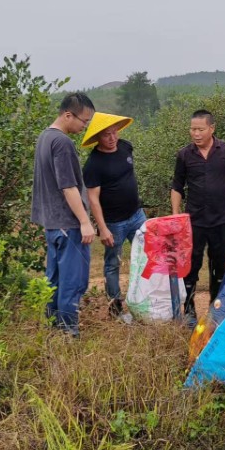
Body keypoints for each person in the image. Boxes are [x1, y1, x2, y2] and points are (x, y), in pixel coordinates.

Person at [171, 109, 225, 326]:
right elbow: (177, 186)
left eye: (200, 129)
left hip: (221, 220)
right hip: (193, 221)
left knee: (217, 265)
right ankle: (189, 310)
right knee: (191, 265)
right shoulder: (185, 154)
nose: (195, 134)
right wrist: (176, 213)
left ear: (211, 129)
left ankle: (216, 308)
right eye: (192, 129)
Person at [31, 92, 96, 338]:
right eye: (83, 121)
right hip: (68, 224)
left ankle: (53, 329)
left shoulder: (44, 137)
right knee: (73, 281)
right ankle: (70, 333)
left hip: (52, 224)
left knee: (54, 279)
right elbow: (68, 187)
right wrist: (84, 222)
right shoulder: (63, 143)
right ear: (68, 115)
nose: (84, 126)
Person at [82, 113, 145, 323]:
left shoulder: (126, 146)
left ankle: (146, 299)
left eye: (114, 132)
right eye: (107, 135)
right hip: (114, 223)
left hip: (137, 215)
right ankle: (115, 308)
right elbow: (93, 199)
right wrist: (103, 228)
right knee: (112, 264)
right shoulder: (93, 164)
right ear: (98, 137)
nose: (112, 138)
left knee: (148, 256)